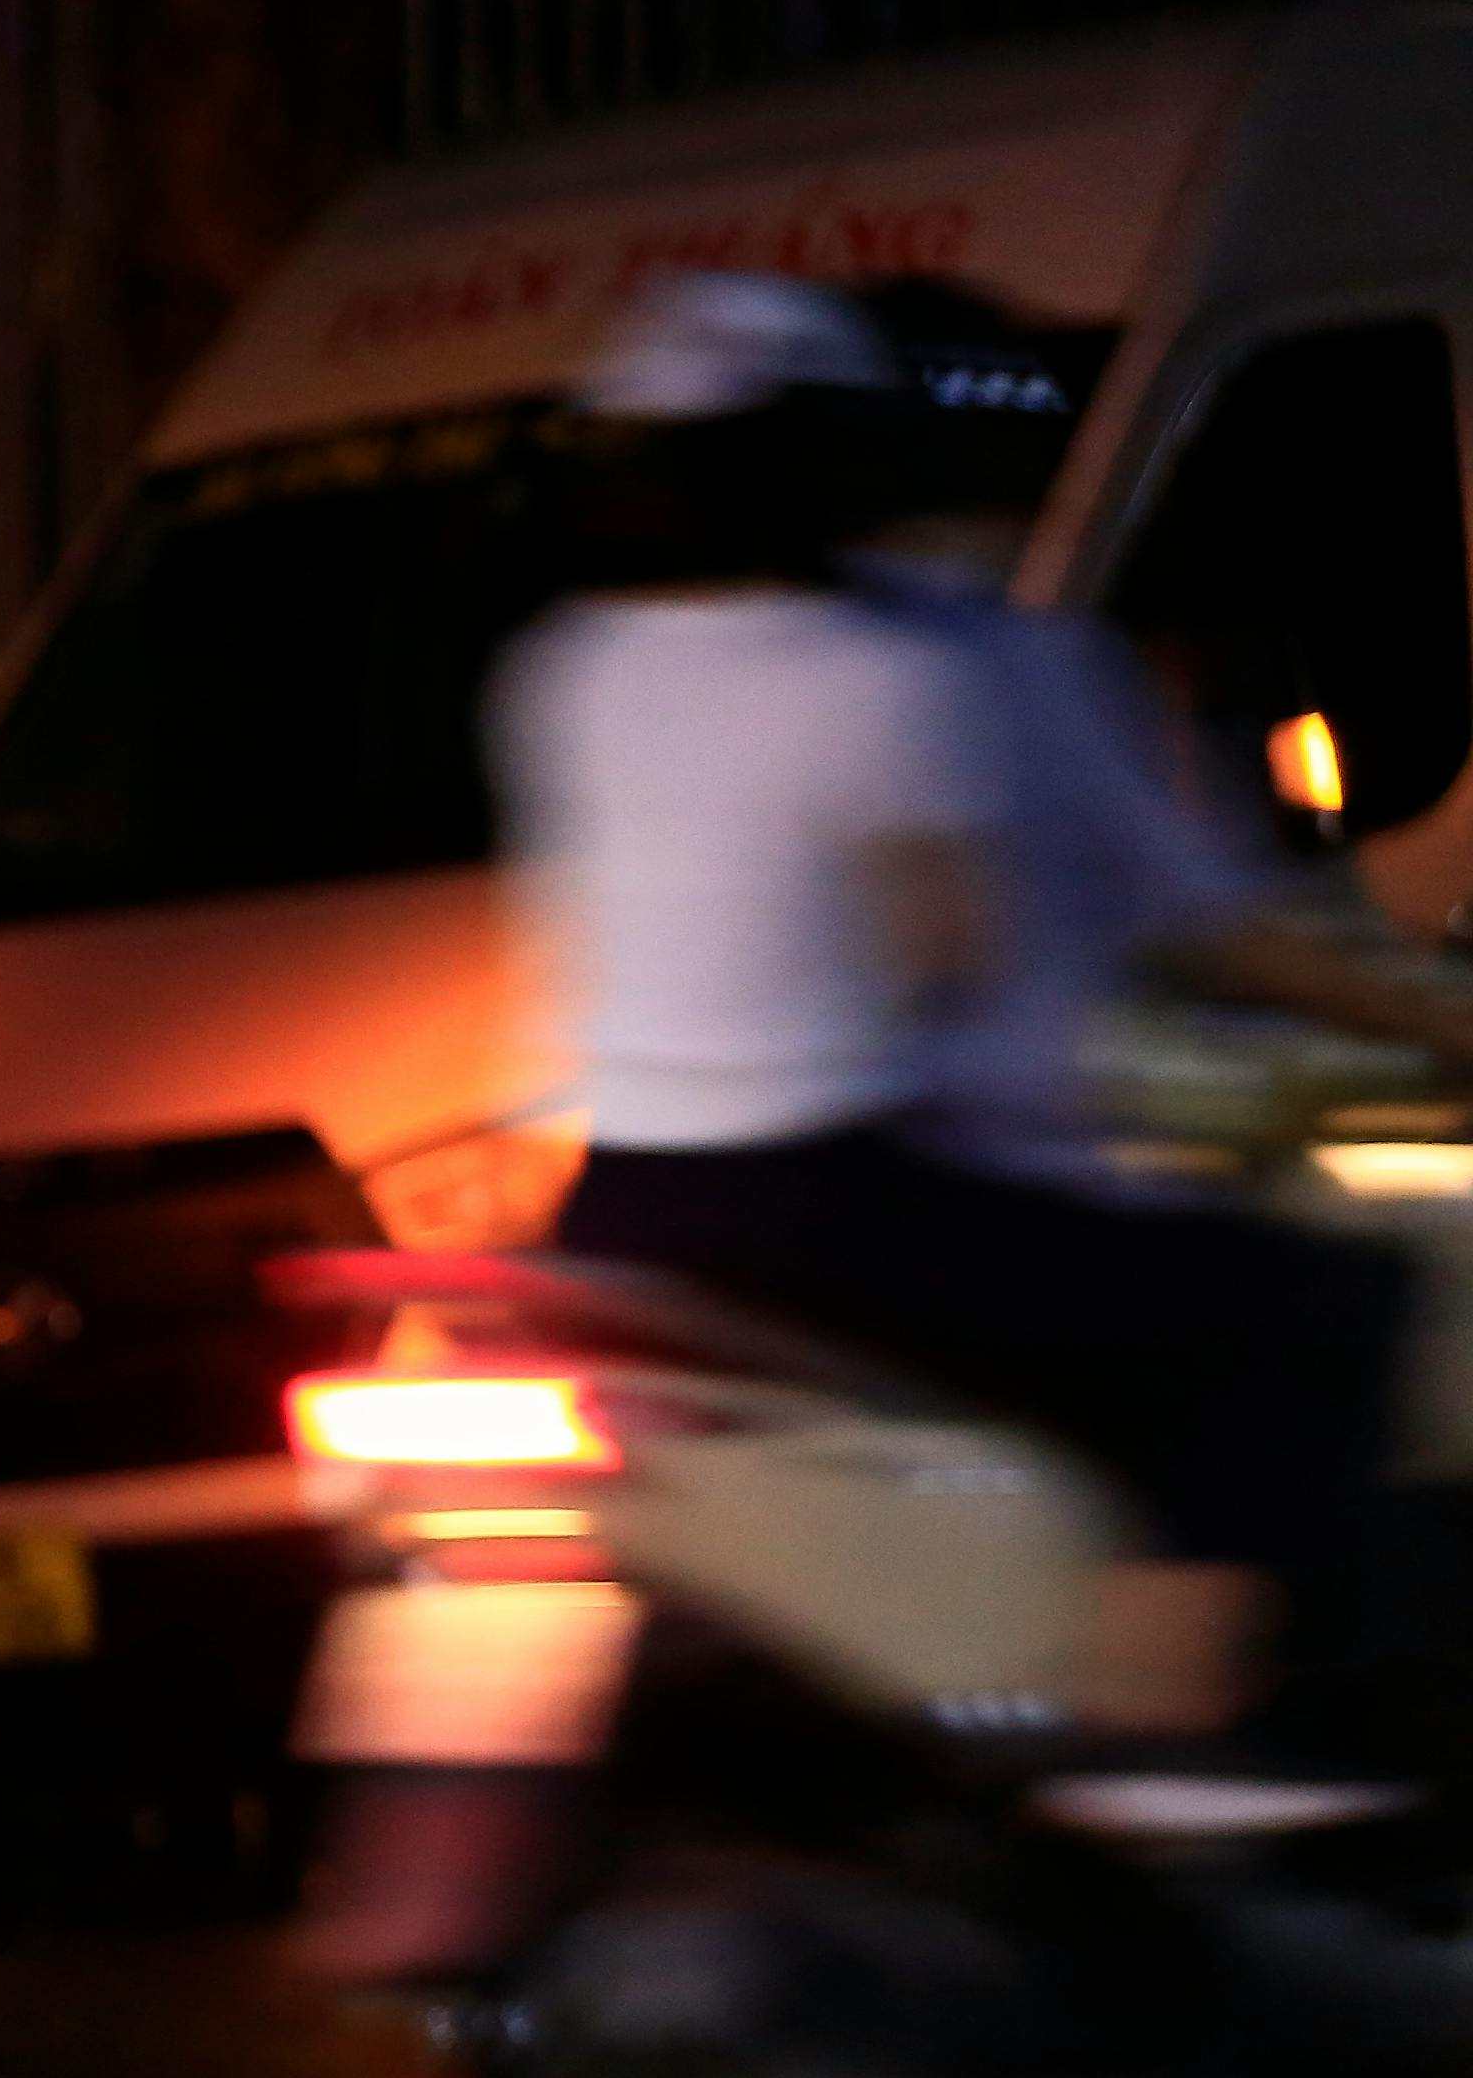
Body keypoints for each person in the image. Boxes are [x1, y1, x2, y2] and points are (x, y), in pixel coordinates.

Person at [499, 272, 1423, 1768]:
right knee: (1317, 1312)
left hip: (614, 1206)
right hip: (824, 1198)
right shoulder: (893, 676)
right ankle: (1194, 1759)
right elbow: (962, 959)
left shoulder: (564, 672)